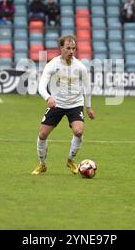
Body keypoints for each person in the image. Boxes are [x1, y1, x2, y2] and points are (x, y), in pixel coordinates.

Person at [31, 35, 96, 175]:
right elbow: (41, 86)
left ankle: (70, 160)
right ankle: (42, 164)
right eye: (68, 48)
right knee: (42, 135)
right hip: (57, 105)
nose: (71, 51)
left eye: (73, 48)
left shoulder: (80, 67)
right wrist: (48, 97)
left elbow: (87, 87)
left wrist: (88, 107)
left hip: (75, 104)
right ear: (61, 48)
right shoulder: (52, 65)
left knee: (78, 131)